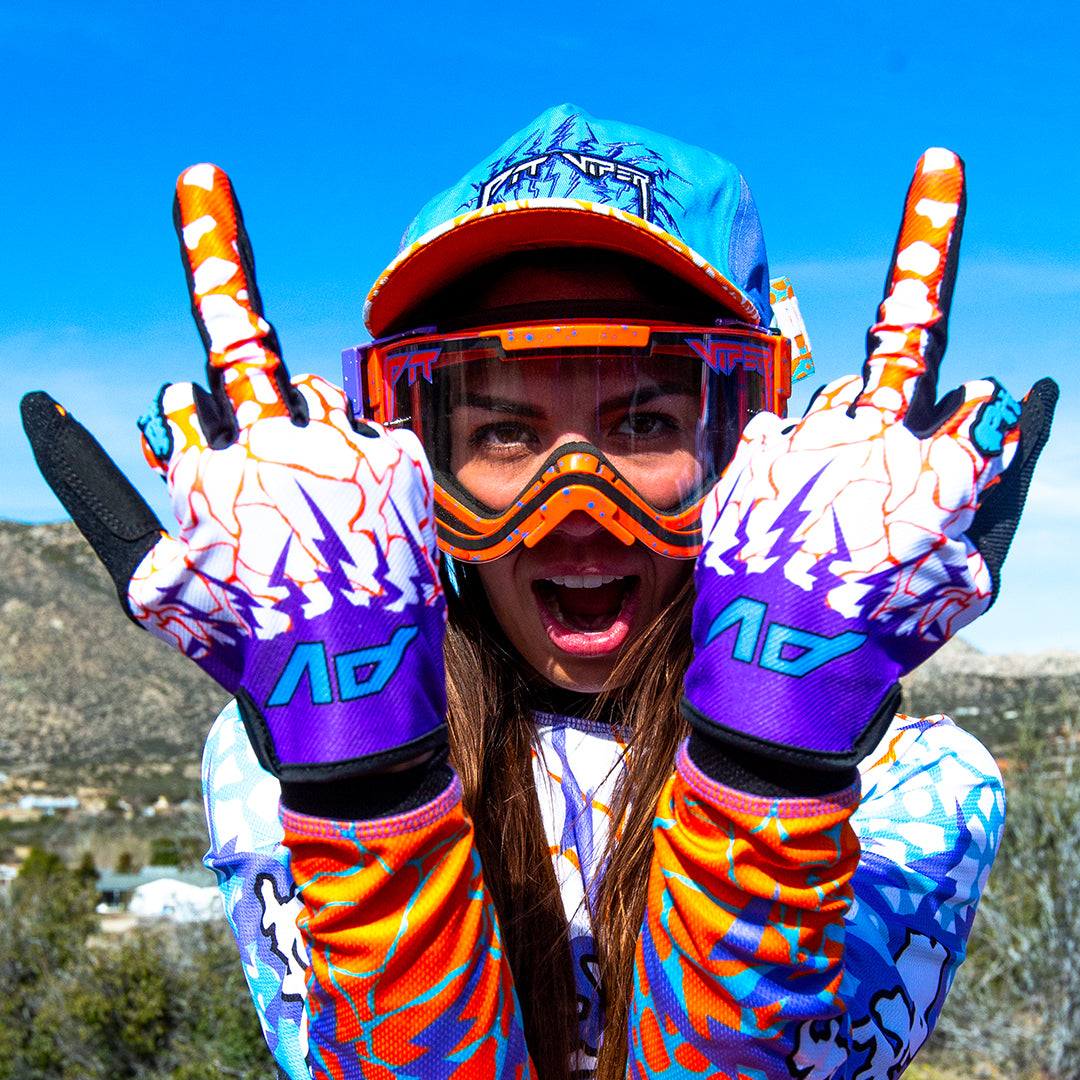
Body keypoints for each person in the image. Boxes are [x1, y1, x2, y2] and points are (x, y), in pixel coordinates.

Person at [21, 105, 1056, 1080]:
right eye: (504, 433)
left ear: (752, 445)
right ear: (413, 465)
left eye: (644, 424)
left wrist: (774, 759)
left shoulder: (915, 787)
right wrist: (363, 785)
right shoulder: (287, 755)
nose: (575, 508)